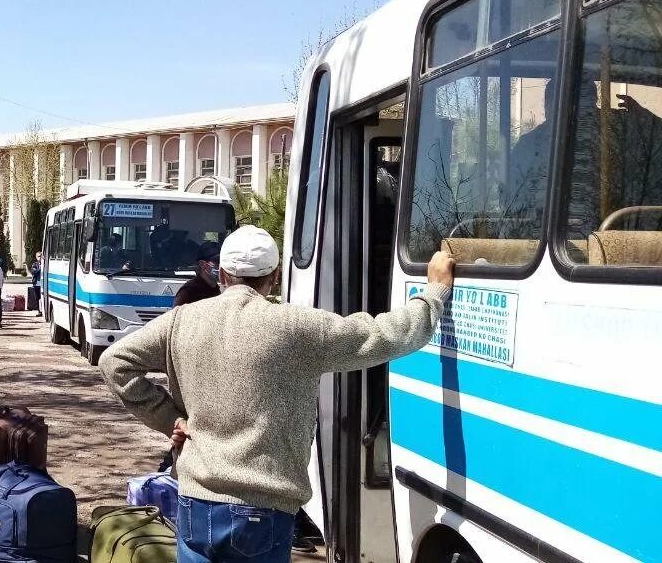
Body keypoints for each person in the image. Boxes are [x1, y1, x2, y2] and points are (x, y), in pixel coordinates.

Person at [101, 226, 456, 563]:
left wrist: (170, 420)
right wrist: (433, 295)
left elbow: (114, 361)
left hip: (194, 501)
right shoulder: (294, 326)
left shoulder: (181, 321)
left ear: (221, 275)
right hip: (262, 512)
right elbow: (382, 335)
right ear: (273, 278)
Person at [173, 241, 222, 307]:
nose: (221, 266)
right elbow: (175, 316)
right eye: (217, 261)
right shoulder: (188, 291)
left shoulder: (216, 289)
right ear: (202, 264)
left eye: (223, 261)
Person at [29, 251, 43, 317]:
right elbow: (34, 272)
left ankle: (43, 309)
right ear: (36, 257)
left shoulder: (45, 264)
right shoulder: (35, 264)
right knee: (38, 297)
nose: (40, 258)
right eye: (38, 256)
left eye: (41, 256)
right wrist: (40, 268)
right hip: (37, 283)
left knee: (42, 297)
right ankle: (39, 310)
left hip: (43, 284)